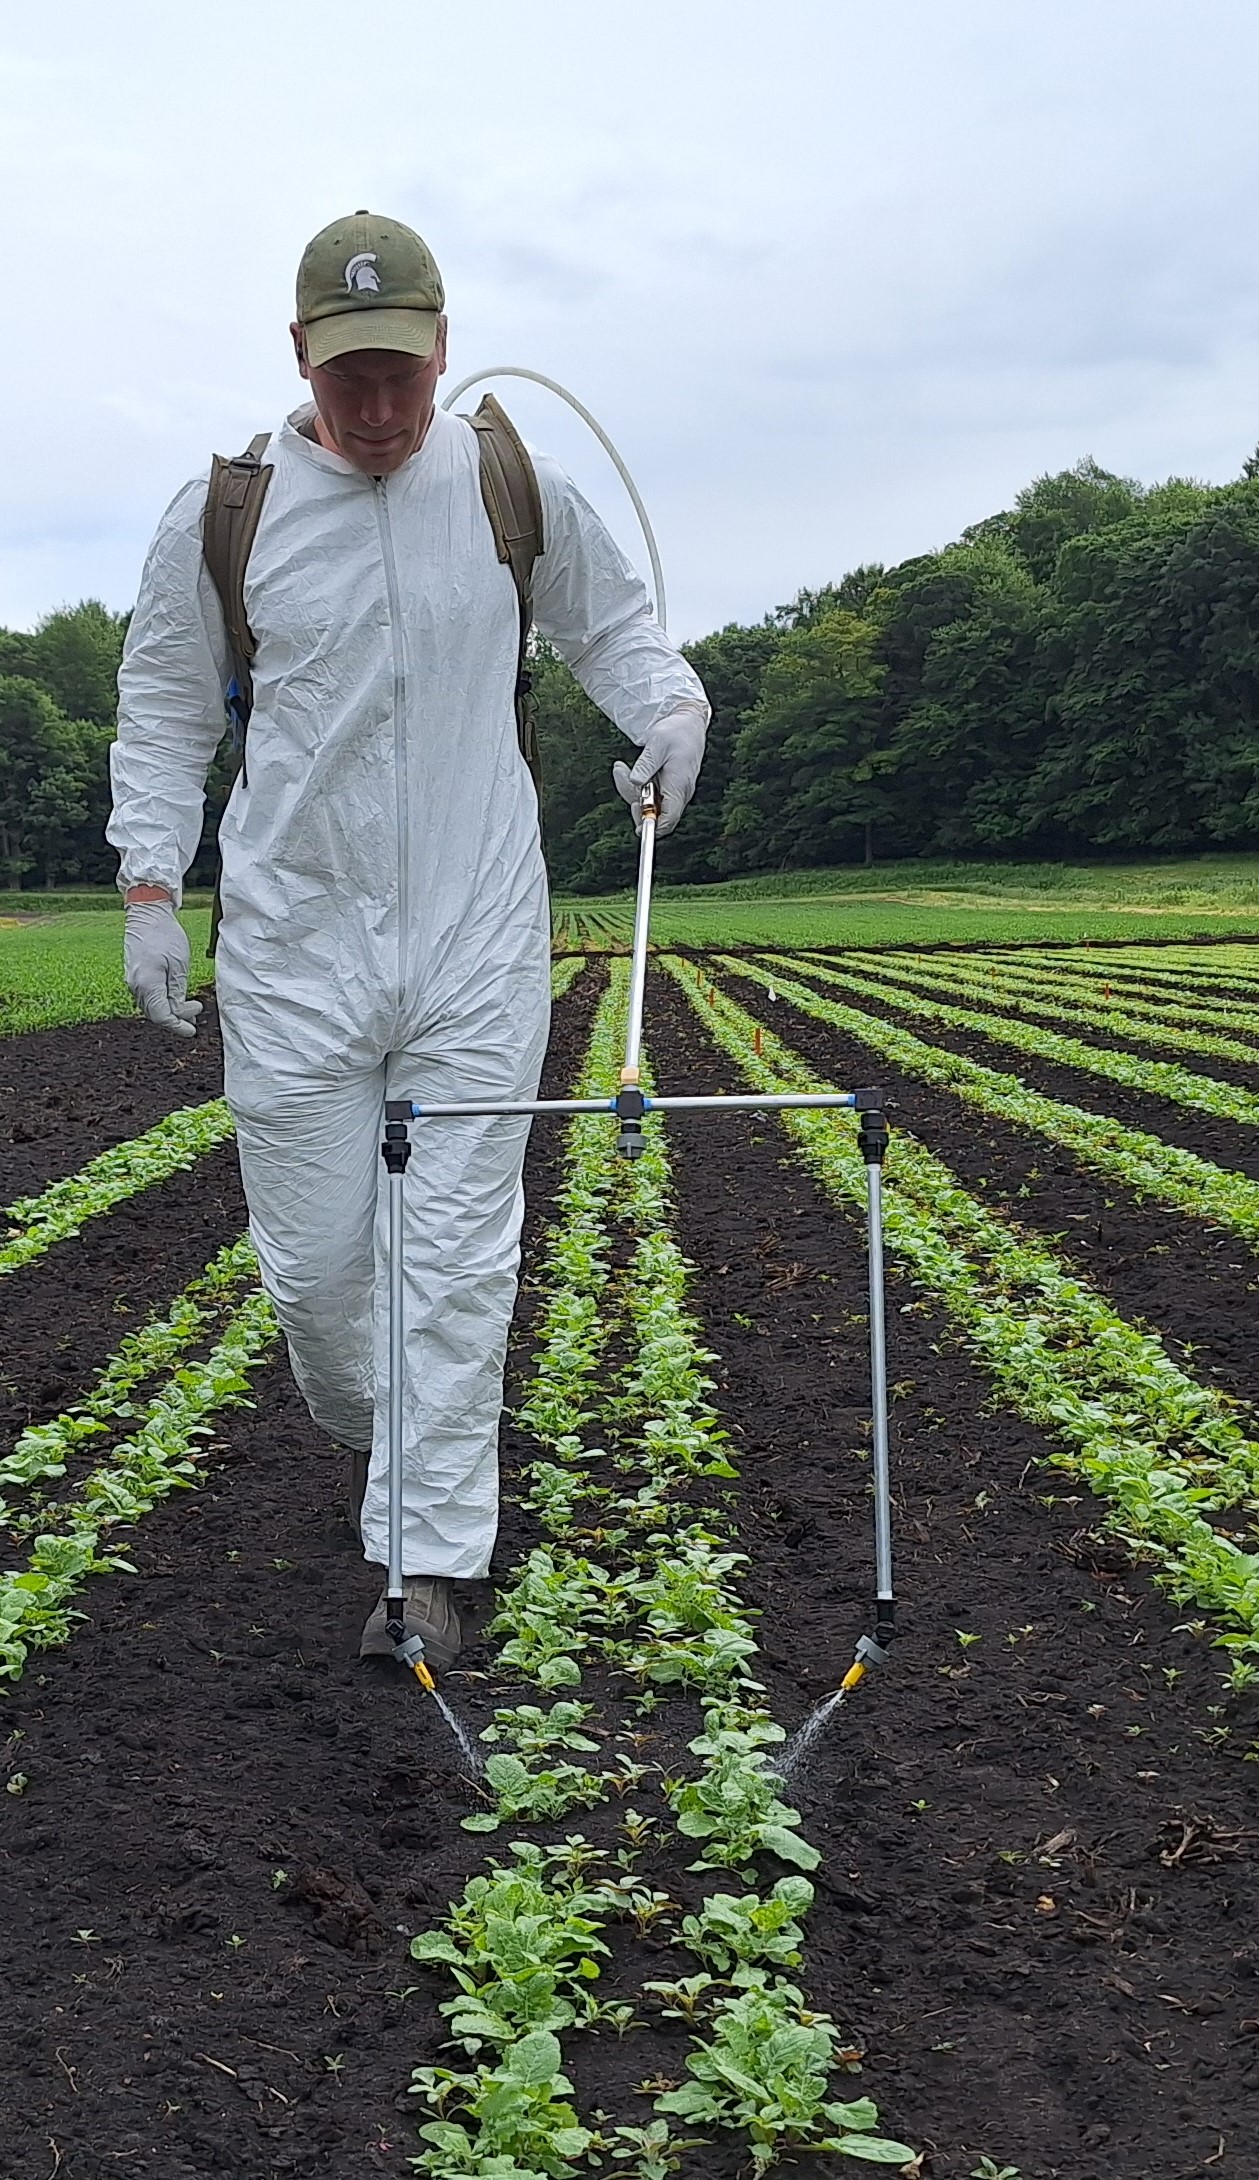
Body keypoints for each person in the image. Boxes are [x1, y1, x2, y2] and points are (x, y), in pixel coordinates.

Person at [107, 210, 709, 1678]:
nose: (377, 410)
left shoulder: (512, 486)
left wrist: (672, 711)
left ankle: (428, 1564)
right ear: (300, 358)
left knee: (453, 1261)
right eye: (347, 379)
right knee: (319, 1283)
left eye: (400, 375)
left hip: (473, 930)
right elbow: (167, 707)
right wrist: (145, 889)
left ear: (443, 346)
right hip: (297, 947)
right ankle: (404, 1444)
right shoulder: (221, 516)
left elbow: (617, 632)